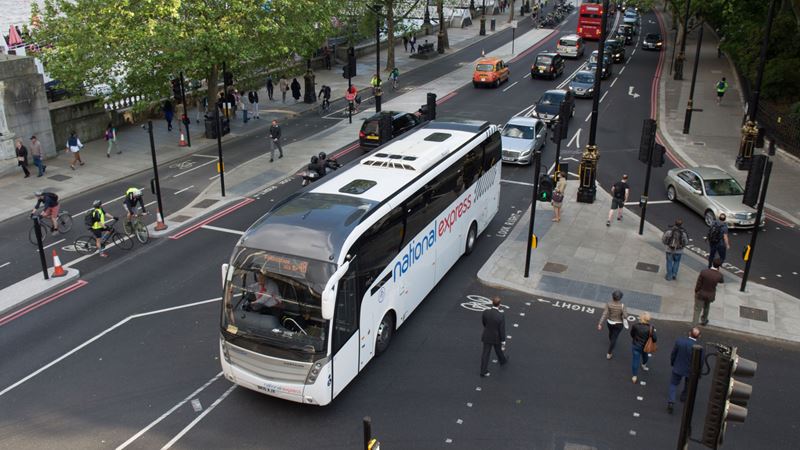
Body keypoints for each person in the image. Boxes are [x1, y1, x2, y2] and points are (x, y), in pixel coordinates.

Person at [667, 327, 702, 414]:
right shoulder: (699, 348)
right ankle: (683, 397)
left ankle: (671, 401)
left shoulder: (680, 342)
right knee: (687, 384)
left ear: (689, 333)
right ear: (699, 336)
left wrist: (672, 362)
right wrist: (699, 373)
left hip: (678, 366)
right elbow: (700, 362)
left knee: (673, 384)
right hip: (690, 370)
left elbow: (674, 353)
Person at [480, 296, 508, 377]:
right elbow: (502, 330)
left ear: (492, 303)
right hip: (496, 337)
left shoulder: (485, 312)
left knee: (485, 354)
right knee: (498, 350)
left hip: (487, 335)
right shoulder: (501, 315)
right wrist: (503, 341)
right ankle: (502, 361)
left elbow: (484, 323)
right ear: (499, 304)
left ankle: (483, 371)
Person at [597, 290, 629, 360]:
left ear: (612, 297)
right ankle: (609, 353)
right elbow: (626, 316)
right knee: (615, 337)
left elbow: (604, 314)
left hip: (610, 322)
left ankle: (611, 341)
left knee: (611, 333)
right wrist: (623, 315)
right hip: (619, 324)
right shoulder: (622, 305)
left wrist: (600, 323)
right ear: (620, 298)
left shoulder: (608, 304)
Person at [694, 258, 723, 326]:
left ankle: (694, 326)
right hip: (710, 294)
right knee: (706, 307)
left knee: (697, 310)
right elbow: (721, 281)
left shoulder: (704, 272)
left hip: (701, 293)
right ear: (719, 267)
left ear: (712, 263)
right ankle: (704, 320)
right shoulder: (719, 275)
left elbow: (698, 283)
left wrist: (696, 291)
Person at [630, 312, 657, 384]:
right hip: (645, 347)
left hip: (636, 345)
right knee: (645, 356)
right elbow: (655, 339)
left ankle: (634, 376)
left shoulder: (635, 326)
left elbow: (632, 334)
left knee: (635, 360)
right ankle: (644, 364)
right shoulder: (650, 328)